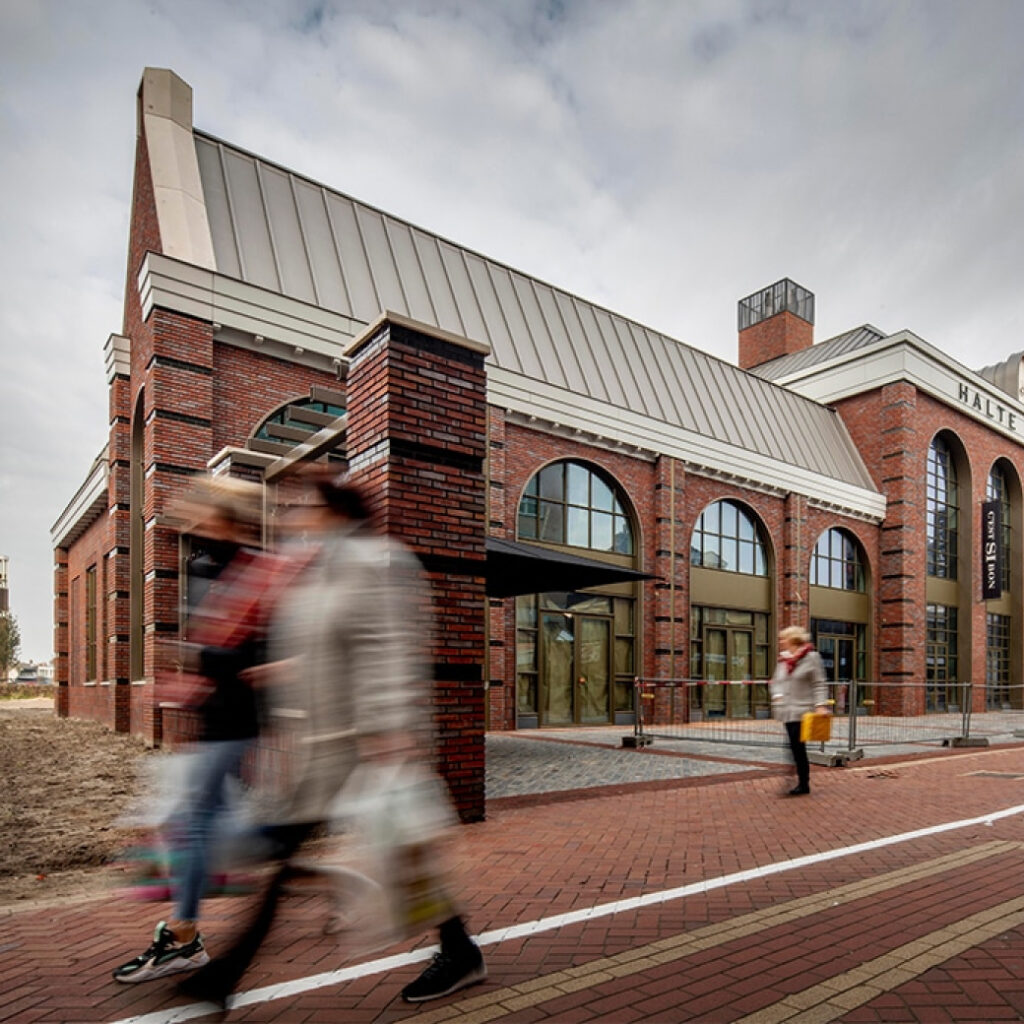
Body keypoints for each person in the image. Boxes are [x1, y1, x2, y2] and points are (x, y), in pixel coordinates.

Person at [178, 471, 485, 1009]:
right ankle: (227, 973)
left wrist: (389, 732)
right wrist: (275, 674)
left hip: (366, 744)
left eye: (308, 507)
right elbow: (320, 651)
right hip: (323, 748)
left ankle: (228, 972)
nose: (297, 515)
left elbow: (387, 649)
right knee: (323, 859)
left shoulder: (376, 564)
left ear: (337, 513)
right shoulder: (316, 573)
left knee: (400, 854)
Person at [113, 477, 278, 984]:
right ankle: (295, 860)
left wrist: (197, 665)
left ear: (226, 516)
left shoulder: (254, 570)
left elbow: (258, 656)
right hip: (216, 724)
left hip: (234, 724)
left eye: (205, 511)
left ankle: (184, 937)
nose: (194, 520)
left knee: (198, 826)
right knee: (218, 831)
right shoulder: (213, 565)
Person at [770, 626, 829, 796]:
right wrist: (777, 696)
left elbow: (819, 683)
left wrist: (820, 705)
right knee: (794, 746)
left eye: (784, 639)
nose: (781, 642)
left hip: (803, 710)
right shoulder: (783, 660)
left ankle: (802, 783)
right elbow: (776, 682)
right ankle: (797, 778)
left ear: (793, 639)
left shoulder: (811, 658)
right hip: (787, 711)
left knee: (796, 747)